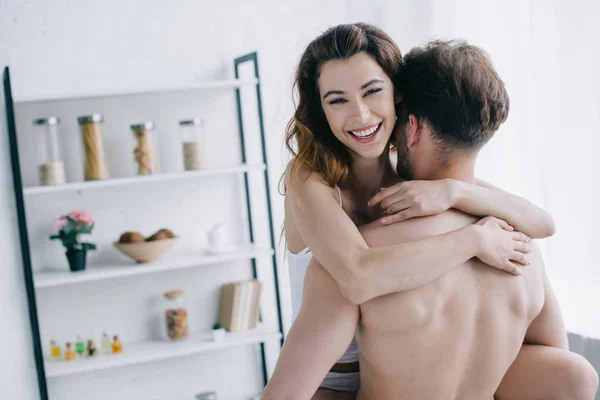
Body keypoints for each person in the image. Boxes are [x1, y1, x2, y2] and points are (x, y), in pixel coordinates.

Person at [263, 38, 599, 399]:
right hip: (329, 375)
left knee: (573, 373)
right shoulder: (309, 180)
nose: (360, 114)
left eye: (372, 91)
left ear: (398, 102)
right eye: (337, 99)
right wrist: (475, 240)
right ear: (321, 110)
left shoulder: (416, 183)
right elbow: (358, 277)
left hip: (395, 361)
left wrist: (454, 192)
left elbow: (543, 223)